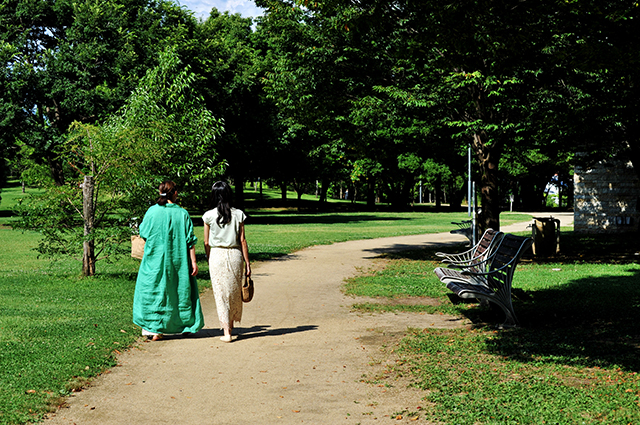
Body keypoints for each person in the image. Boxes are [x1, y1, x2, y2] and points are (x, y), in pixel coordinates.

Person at [133, 181, 204, 341]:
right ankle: (185, 325)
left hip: (154, 260)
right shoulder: (182, 214)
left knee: (155, 291)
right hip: (178, 261)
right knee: (179, 292)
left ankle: (156, 329)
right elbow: (189, 240)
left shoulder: (152, 212)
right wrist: (193, 262)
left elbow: (143, 232)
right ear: (175, 193)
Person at [202, 181, 251, 343]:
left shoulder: (208, 215)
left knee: (220, 293)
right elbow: (243, 241)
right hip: (235, 255)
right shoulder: (238, 214)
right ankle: (231, 326)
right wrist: (248, 264)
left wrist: (210, 257)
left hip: (217, 255)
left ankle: (226, 332)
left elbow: (206, 242)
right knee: (233, 291)